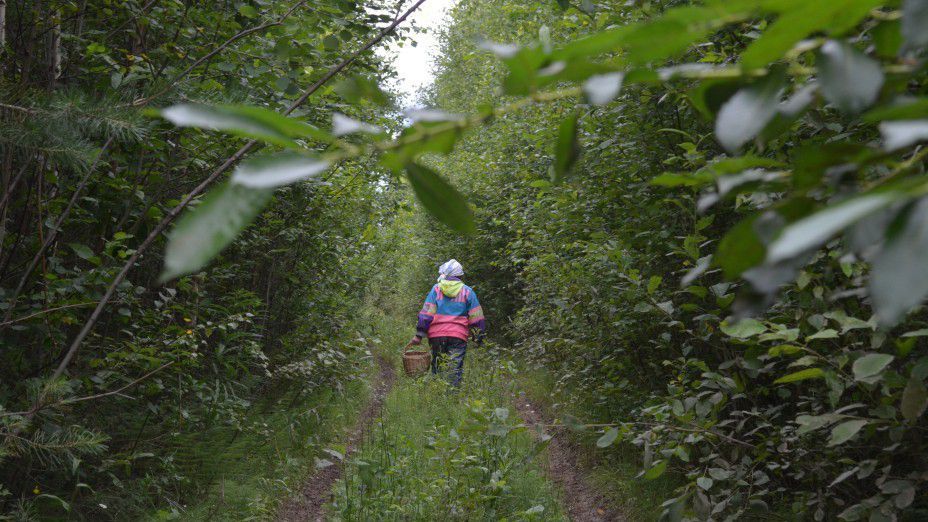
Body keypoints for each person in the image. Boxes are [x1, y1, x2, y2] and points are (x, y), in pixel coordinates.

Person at [409, 259, 486, 386]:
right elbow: (476, 316)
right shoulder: (468, 292)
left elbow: (427, 313)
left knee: (437, 366)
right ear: (460, 276)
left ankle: (436, 394)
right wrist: (478, 337)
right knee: (454, 369)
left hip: (436, 336)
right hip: (458, 336)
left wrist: (419, 335)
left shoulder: (436, 289)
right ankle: (452, 398)